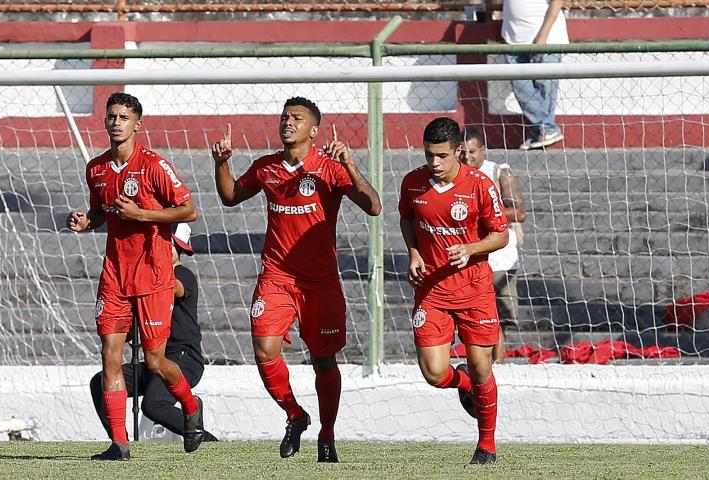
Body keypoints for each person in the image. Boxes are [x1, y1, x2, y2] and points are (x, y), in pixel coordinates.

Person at [211, 97, 381, 463]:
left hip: (320, 283)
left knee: (323, 360)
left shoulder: (330, 168)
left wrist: (350, 165)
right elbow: (230, 197)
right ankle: (295, 414)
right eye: (285, 116)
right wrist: (222, 164)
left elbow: (374, 206)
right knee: (264, 349)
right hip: (277, 276)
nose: (288, 122)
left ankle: (327, 434)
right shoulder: (267, 167)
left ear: (313, 130)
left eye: (297, 118)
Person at [66, 92, 202, 461]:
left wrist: (143, 216)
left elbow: (189, 211)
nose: (116, 122)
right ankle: (119, 444)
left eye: (124, 117)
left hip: (154, 275)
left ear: (137, 124)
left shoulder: (155, 166)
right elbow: (101, 212)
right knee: (110, 355)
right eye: (111, 116)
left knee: (156, 361)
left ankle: (191, 407)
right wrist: (86, 221)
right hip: (114, 276)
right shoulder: (95, 168)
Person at [398, 117, 508, 464]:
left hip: (474, 290)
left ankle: (486, 445)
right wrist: (413, 251)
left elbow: (501, 235)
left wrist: (471, 248)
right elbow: (406, 218)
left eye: (442, 156)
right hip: (431, 290)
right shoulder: (413, 183)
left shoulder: (479, 184)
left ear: (459, 150)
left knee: (481, 368)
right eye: (429, 155)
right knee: (433, 373)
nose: (434, 163)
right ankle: (462, 386)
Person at [89, 224, 218, 445]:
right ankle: (120, 442)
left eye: (170, 245)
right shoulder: (147, 278)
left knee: (153, 404)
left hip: (183, 358)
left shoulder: (183, 275)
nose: (163, 249)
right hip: (153, 359)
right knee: (100, 382)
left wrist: (141, 274)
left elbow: (173, 288)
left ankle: (205, 438)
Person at [461, 127, 527, 364]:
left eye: (472, 152)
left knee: (498, 317)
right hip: (467, 256)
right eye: (462, 152)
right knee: (474, 316)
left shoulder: (500, 172)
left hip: (500, 257)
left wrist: (483, 213)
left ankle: (498, 365)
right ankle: (480, 365)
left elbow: (519, 212)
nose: (467, 157)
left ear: (483, 150)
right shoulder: (456, 174)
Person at [502, 0, 568, 150]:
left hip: (545, 39)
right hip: (513, 39)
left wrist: (543, 36)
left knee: (546, 90)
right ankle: (545, 129)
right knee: (521, 87)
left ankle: (543, 130)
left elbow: (556, 2)